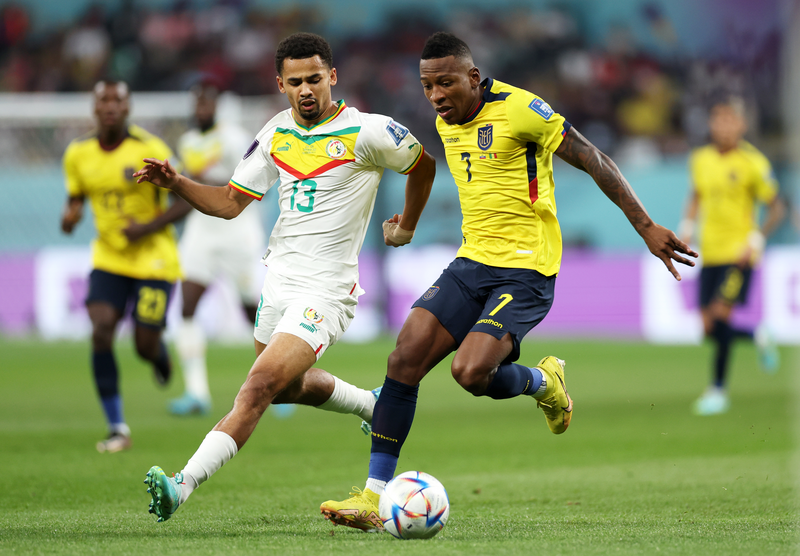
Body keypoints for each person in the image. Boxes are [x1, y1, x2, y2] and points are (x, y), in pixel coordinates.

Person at [320, 31, 697, 532]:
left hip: (527, 268)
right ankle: (373, 496)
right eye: (427, 86)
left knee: (470, 373)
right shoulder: (444, 119)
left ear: (473, 77)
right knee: (403, 357)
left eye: (446, 83)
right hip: (472, 261)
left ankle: (544, 381)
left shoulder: (522, 109)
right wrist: (407, 225)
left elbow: (592, 158)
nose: (436, 96)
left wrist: (646, 225)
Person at [136, 32, 436, 522]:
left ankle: (181, 484)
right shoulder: (276, 132)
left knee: (255, 389)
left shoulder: (369, 132)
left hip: (326, 291)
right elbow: (231, 203)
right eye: (295, 82)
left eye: (315, 79)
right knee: (287, 387)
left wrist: (406, 225)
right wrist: (178, 183)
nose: (306, 90)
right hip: (277, 283)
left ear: (332, 77)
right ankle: (371, 404)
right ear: (280, 84)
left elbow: (424, 166)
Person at [60, 80, 192, 453]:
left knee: (143, 344)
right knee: (101, 332)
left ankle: (157, 353)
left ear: (128, 107)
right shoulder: (78, 153)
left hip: (154, 259)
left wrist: (147, 227)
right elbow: (75, 200)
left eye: (118, 100)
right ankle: (117, 426)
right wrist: (69, 216)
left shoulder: (149, 148)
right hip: (109, 258)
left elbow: (184, 196)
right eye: (104, 100)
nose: (111, 107)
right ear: (94, 108)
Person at [678, 96, 785, 416]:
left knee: (720, 316)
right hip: (710, 252)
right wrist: (686, 225)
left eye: (729, 120)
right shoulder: (700, 159)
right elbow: (696, 195)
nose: (723, 126)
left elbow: (776, 207)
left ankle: (718, 390)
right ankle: (757, 335)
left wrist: (755, 239)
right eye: (718, 120)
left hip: (739, 254)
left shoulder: (753, 163)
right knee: (709, 327)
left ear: (741, 125)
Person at [169, 81, 266, 416]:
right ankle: (196, 393)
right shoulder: (187, 142)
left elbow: (233, 187)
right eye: (196, 104)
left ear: (217, 106)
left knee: (249, 309)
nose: (200, 110)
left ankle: (279, 381)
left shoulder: (234, 139)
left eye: (206, 104)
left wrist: (185, 182)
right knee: (188, 306)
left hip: (237, 230)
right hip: (201, 233)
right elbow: (187, 187)